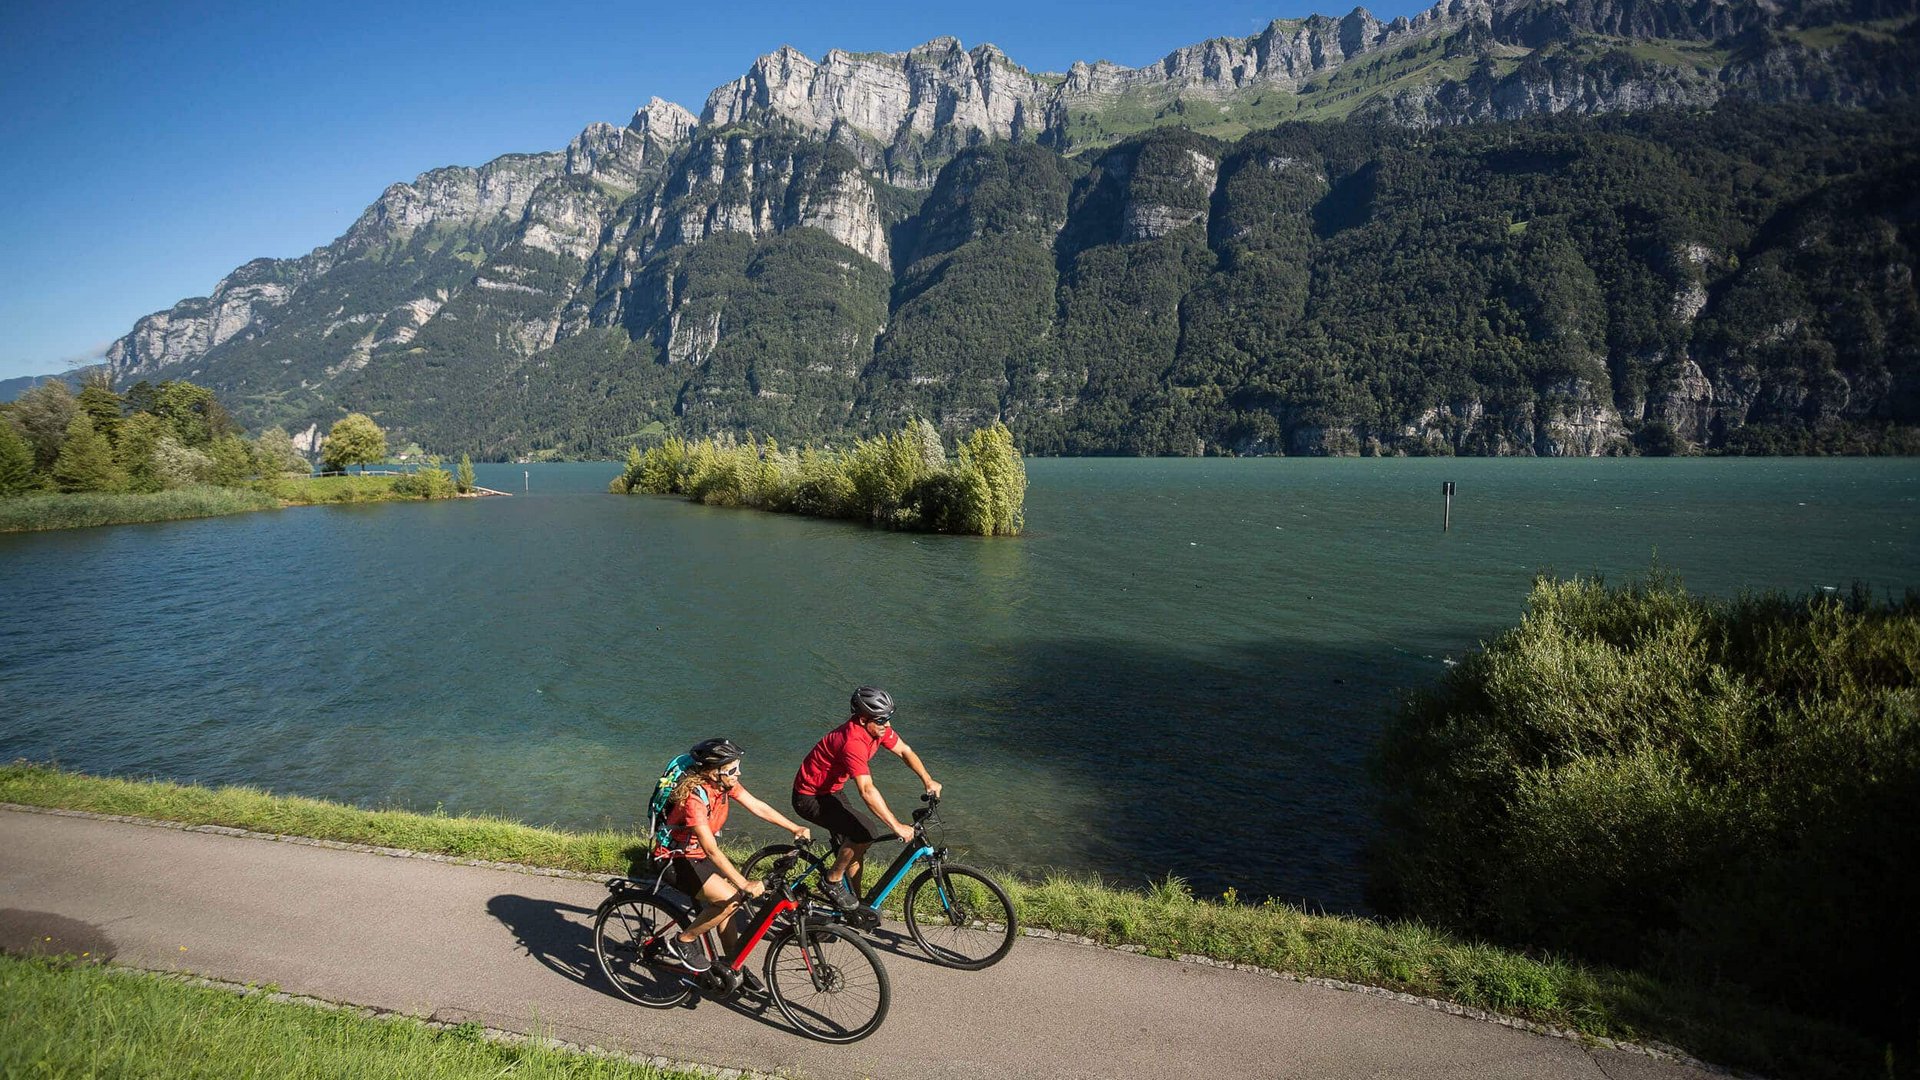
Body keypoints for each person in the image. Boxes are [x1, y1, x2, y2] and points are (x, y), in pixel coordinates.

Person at [652, 737, 812, 975]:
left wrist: (794, 828)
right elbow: (711, 850)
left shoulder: (725, 785)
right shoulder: (694, 799)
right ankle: (683, 941)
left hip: (696, 856)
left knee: (730, 904)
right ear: (715, 772)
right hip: (675, 859)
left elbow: (757, 805)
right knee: (732, 899)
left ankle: (731, 965)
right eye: (733, 769)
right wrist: (744, 883)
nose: (738, 773)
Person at [790, 686, 942, 912]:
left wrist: (928, 780)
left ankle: (853, 906)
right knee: (866, 833)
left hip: (831, 790)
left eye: (889, 719)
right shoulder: (852, 742)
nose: (888, 725)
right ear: (863, 719)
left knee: (856, 843)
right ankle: (832, 881)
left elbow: (904, 751)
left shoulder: (877, 729)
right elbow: (867, 790)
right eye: (882, 720)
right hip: (809, 796)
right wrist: (896, 826)